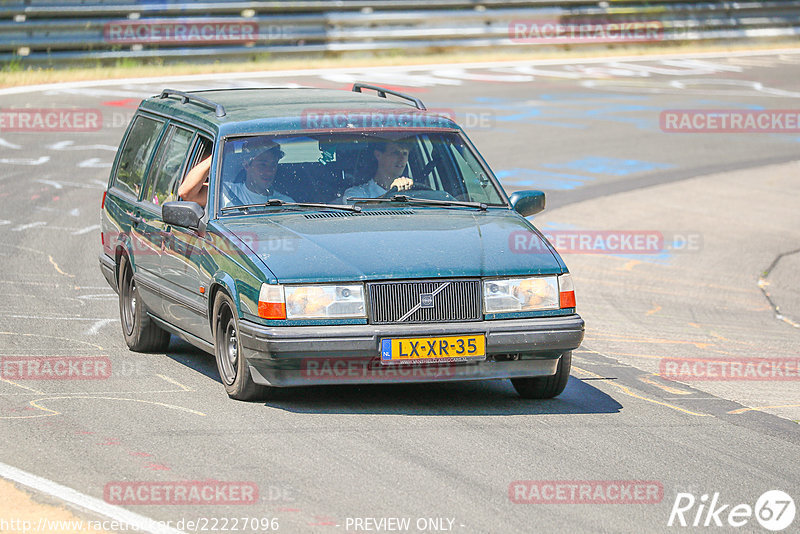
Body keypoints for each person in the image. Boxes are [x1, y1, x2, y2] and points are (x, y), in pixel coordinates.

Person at [178, 138, 294, 209]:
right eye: (262, 165)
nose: (269, 171)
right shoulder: (225, 192)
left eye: (273, 165)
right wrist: (218, 155)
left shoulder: (288, 203)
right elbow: (186, 193)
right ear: (246, 165)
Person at [342, 140, 414, 200]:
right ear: (378, 155)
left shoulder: (413, 193)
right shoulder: (357, 193)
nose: (402, 159)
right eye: (396, 153)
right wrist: (391, 193)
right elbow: (357, 208)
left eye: (405, 154)